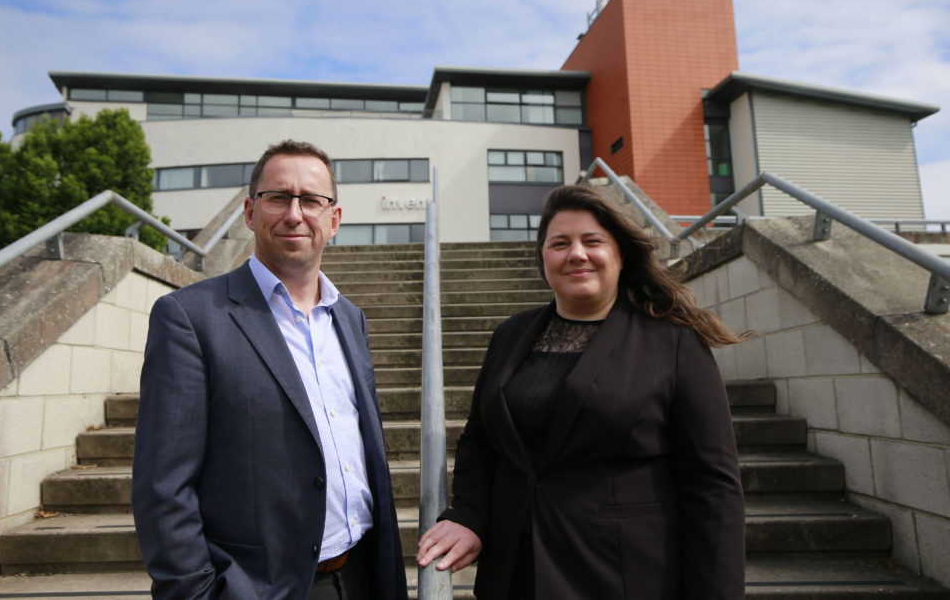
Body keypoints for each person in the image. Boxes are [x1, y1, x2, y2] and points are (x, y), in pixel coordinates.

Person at [417, 185, 747, 599]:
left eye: (593, 241)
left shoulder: (674, 343)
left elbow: (713, 485)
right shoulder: (510, 335)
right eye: (560, 243)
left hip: (622, 577)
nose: (576, 254)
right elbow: (481, 440)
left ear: (620, 255)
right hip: (516, 573)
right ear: (543, 258)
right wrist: (468, 513)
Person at [133, 140, 407, 600]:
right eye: (278, 197)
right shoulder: (190, 317)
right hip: (260, 588)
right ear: (249, 212)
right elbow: (164, 488)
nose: (295, 214)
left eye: (312, 200)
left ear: (333, 220)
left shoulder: (350, 318)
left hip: (363, 574)